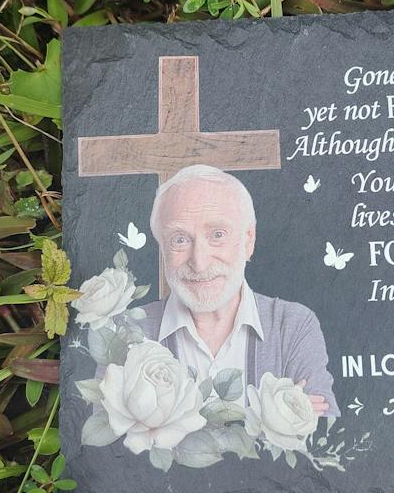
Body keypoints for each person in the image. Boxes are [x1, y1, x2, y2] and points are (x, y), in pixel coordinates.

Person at [137, 164, 338, 416]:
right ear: (162, 248)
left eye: (217, 235)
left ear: (248, 241)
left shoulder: (293, 325)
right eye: (180, 239)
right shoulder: (125, 332)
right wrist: (273, 421)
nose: (199, 263)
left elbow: (323, 433)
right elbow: (107, 439)